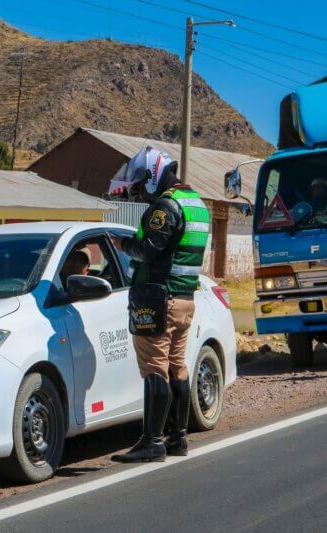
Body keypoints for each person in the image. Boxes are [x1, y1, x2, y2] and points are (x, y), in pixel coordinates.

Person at [110, 147, 210, 462]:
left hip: (158, 300)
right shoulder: (197, 204)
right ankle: (177, 438)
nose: (140, 192)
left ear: (154, 173)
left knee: (155, 368)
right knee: (176, 366)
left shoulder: (166, 205)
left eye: (141, 184)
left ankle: (152, 441)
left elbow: (148, 248)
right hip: (185, 299)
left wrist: (123, 244)